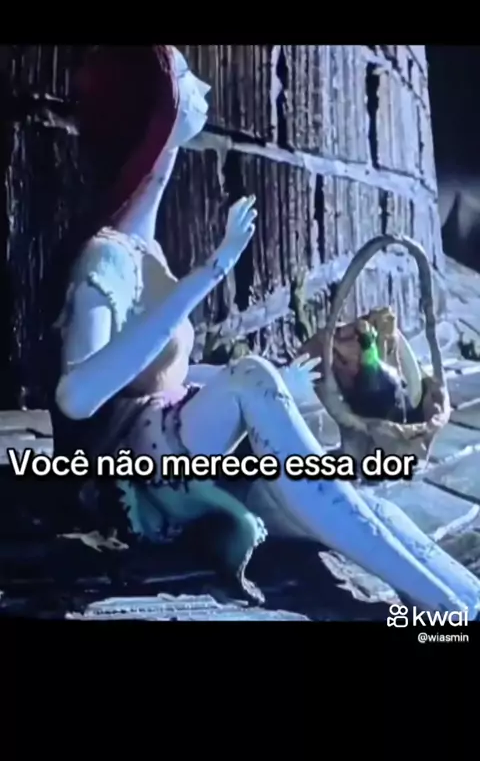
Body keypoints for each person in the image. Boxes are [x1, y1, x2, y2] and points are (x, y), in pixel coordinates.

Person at [51, 44, 480, 613]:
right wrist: (208, 274)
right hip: (138, 482)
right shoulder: (105, 261)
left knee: (366, 507)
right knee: (254, 384)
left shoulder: (145, 250)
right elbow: (77, 395)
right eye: (185, 78)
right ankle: (441, 608)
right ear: (158, 114)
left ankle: (467, 600)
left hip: (184, 452)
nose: (204, 89)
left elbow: (163, 372)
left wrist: (278, 382)